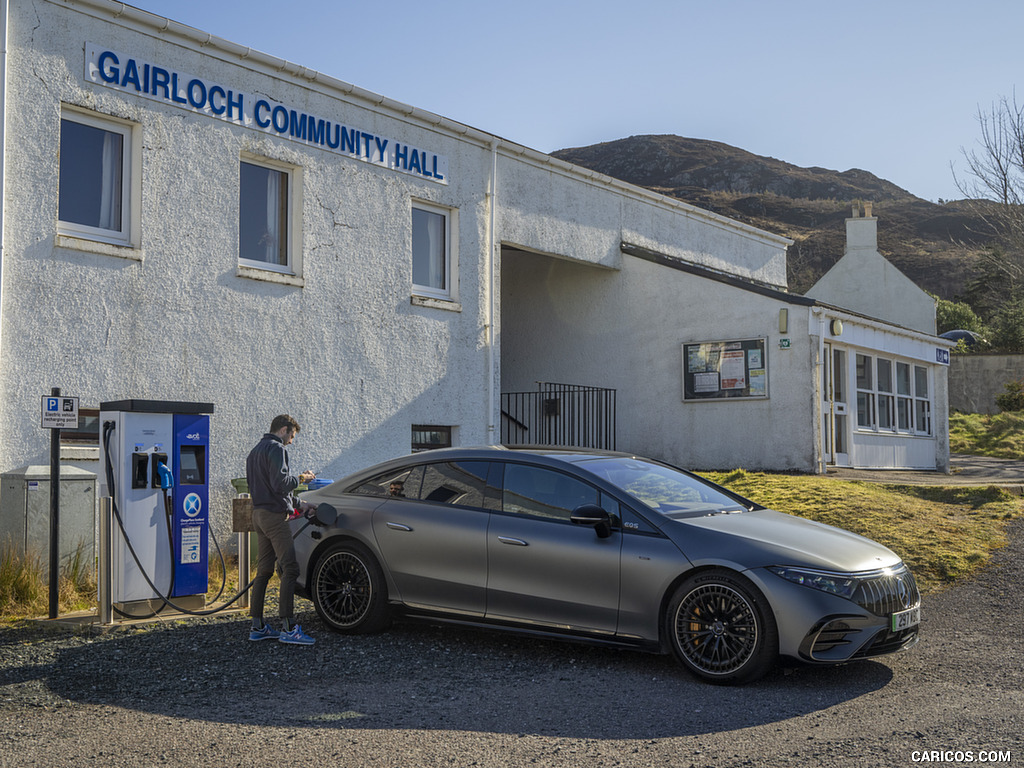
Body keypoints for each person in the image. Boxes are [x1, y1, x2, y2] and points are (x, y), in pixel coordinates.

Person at [246, 414, 317, 645]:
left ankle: (257, 626)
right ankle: (288, 628)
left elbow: (269, 489)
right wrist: (303, 478)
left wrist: (300, 504)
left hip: (258, 514)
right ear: (284, 429)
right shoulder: (277, 449)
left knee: (264, 571)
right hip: (275, 519)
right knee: (290, 569)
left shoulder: (254, 451)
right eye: (292, 435)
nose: (291, 441)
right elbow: (281, 484)